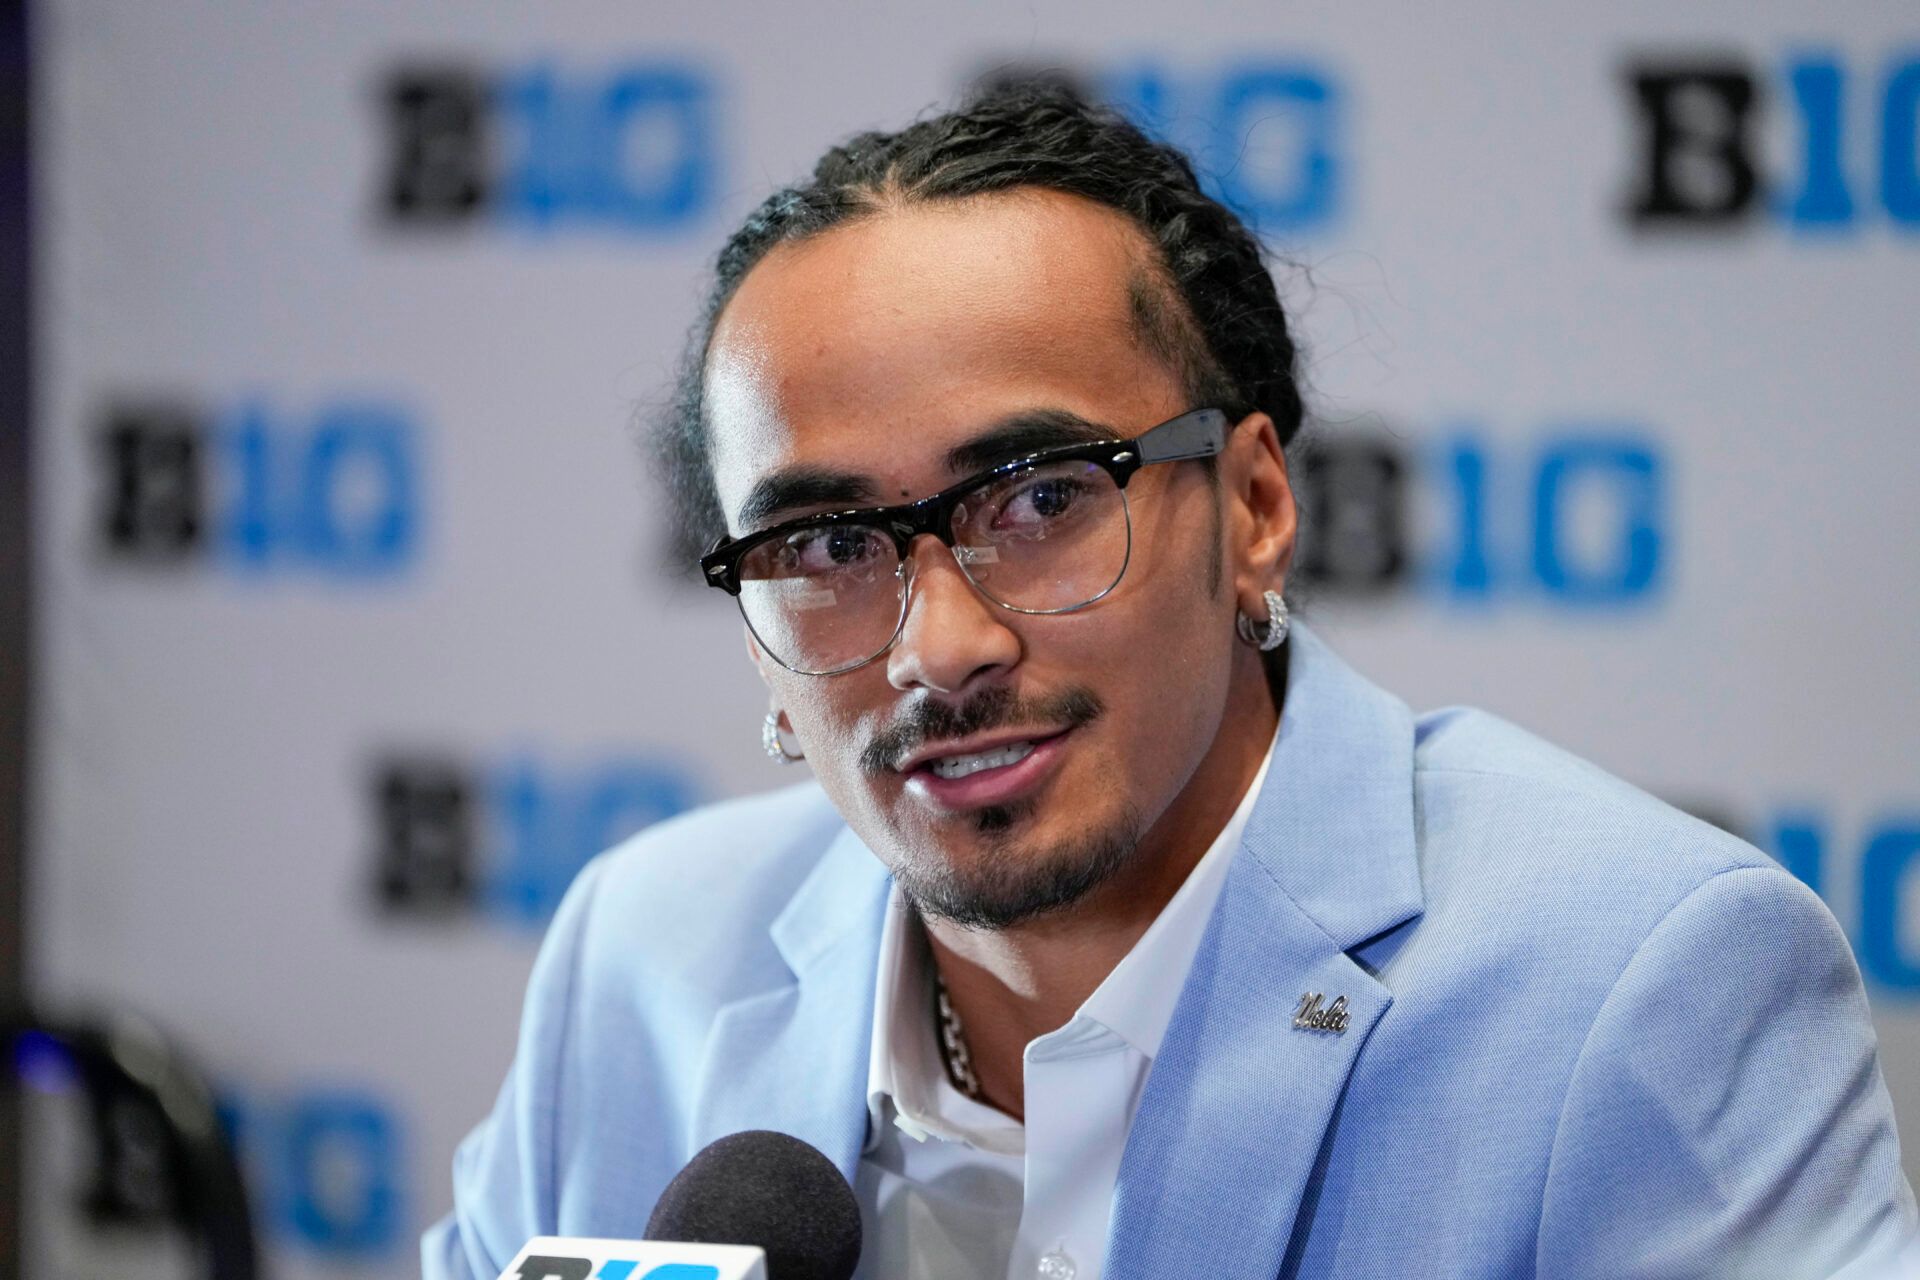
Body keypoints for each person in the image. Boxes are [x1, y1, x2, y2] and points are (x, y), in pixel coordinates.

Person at [424, 85, 1915, 1280]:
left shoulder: (1635, 991)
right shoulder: (641, 963)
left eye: (1039, 497)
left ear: (1257, 507)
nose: (938, 647)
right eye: (826, 542)